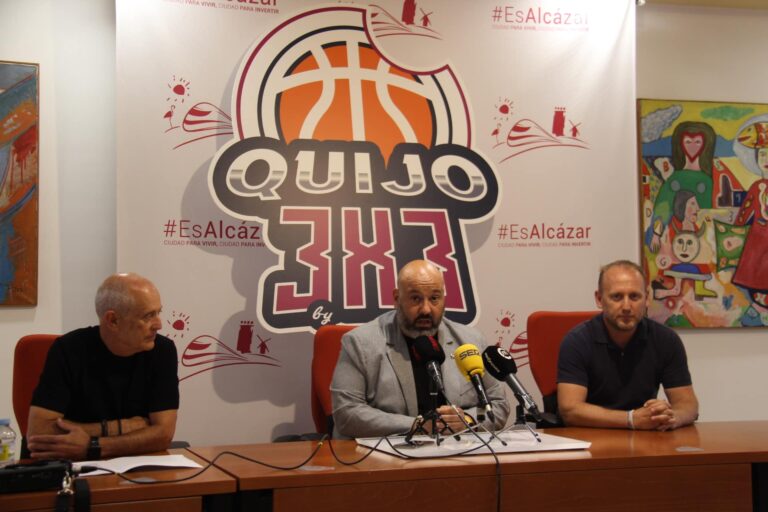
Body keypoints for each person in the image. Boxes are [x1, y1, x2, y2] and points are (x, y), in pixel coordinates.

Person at [331, 260, 510, 439]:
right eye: (415, 298)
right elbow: (346, 413)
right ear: (396, 298)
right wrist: (417, 425)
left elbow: (498, 405)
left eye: (434, 298)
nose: (426, 309)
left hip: (456, 453)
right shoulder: (360, 343)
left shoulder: (470, 341)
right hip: (388, 457)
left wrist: (469, 420)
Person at [26, 273, 179, 460]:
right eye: (148, 316)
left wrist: (93, 445)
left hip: (135, 466)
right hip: (73, 469)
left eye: (158, 312)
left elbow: (163, 435)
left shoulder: (162, 351)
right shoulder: (68, 350)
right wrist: (123, 428)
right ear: (113, 321)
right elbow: (38, 433)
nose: (159, 324)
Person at [557, 260, 699, 431]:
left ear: (647, 298)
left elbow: (688, 405)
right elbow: (570, 410)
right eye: (617, 297)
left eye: (634, 296)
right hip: (590, 437)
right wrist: (631, 419)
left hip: (645, 439)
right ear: (599, 299)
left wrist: (671, 417)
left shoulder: (666, 339)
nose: (626, 306)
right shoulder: (577, 341)